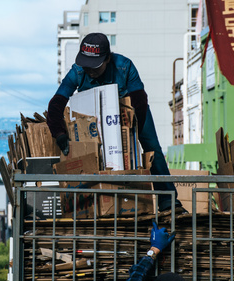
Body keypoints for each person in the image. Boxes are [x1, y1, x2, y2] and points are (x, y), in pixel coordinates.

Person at [47, 32, 185, 215]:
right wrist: (59, 133)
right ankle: (98, 204)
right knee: (97, 155)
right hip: (93, 115)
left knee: (153, 148)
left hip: (130, 112)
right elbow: (56, 104)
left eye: (95, 67)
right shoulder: (77, 71)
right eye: (87, 66)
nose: (90, 71)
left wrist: (133, 130)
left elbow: (140, 99)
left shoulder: (124, 66)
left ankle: (169, 202)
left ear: (107, 59)